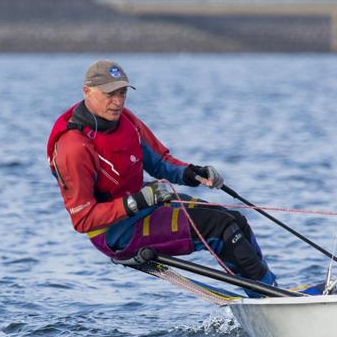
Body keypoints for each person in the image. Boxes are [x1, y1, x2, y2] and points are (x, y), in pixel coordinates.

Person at [46, 59, 276, 293]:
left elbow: (160, 162)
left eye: (122, 93)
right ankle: (268, 300)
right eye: (109, 94)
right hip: (114, 233)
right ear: (87, 91)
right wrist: (136, 202)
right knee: (220, 227)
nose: (117, 102)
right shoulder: (73, 147)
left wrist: (192, 173)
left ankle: (272, 288)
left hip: (145, 207)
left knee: (235, 220)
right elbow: (83, 219)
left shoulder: (126, 120)